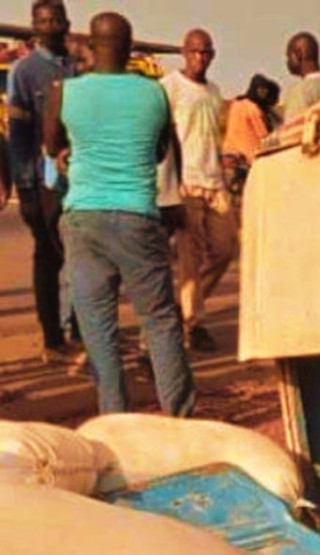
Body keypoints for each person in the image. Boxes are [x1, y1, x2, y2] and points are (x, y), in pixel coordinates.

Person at [44, 11, 195, 417]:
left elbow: (51, 146)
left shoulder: (63, 92)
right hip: (138, 218)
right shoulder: (154, 94)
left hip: (84, 218)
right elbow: (161, 151)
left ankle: (116, 420)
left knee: (99, 328)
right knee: (160, 321)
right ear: (130, 50)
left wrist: (67, 156)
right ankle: (179, 420)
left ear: (91, 48)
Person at [6, 0, 79, 364]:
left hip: (79, 179)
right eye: (42, 21)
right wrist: (25, 182)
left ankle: (81, 332)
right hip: (40, 179)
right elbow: (18, 134)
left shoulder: (76, 68)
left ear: (66, 23)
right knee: (48, 256)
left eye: (55, 19)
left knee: (81, 256)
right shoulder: (23, 71)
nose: (49, 26)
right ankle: (53, 338)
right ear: (34, 27)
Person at [160, 28, 236, 352]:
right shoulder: (170, 87)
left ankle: (186, 306)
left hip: (214, 181)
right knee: (189, 257)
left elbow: (212, 137)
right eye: (195, 52)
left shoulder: (215, 92)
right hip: (186, 182)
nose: (200, 58)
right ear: (183, 52)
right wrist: (168, 183)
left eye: (206, 52)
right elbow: (162, 136)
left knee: (225, 248)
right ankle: (194, 323)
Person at [222, 74, 279, 194]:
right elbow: (265, 137)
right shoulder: (254, 109)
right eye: (261, 91)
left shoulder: (236, 103)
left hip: (228, 155)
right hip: (246, 161)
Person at [281, 32, 320, 122]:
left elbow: (292, 132)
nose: (287, 62)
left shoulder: (299, 92)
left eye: (289, 56)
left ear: (298, 54)